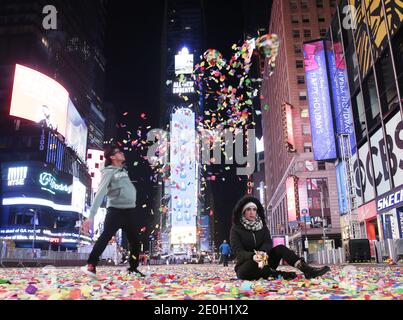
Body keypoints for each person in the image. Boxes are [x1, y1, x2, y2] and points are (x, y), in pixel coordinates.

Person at [81, 145, 145, 278]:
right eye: (119, 152)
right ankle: (91, 264)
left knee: (135, 241)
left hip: (129, 211)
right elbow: (100, 193)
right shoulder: (108, 172)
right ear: (112, 157)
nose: (122, 153)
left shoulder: (122, 170)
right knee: (105, 237)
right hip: (115, 211)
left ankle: (133, 268)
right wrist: (91, 216)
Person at [230, 196, 330, 281]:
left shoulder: (262, 227)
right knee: (249, 268)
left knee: (280, 248)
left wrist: (263, 252)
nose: (252, 212)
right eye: (248, 209)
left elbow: (268, 242)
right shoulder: (236, 229)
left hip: (265, 260)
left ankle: (307, 270)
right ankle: (277, 274)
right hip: (246, 266)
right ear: (243, 212)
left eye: (254, 209)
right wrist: (253, 256)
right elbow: (238, 252)